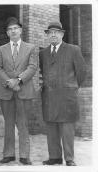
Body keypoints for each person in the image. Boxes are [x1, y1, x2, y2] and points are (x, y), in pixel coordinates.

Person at [40, 21, 87, 166]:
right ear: (47, 35)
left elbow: (82, 72)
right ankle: (54, 157)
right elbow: (42, 73)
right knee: (51, 127)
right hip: (49, 97)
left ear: (62, 34)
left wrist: (72, 87)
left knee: (67, 129)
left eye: (56, 32)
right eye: (50, 32)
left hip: (67, 97)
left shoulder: (73, 50)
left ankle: (69, 158)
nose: (53, 34)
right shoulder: (43, 53)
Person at [0, 17, 38, 165]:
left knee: (23, 123)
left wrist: (18, 80)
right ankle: (8, 154)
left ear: (20, 30)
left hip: (24, 90)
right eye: (10, 29)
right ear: (7, 33)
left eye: (15, 28)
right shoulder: (0, 49)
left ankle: (25, 155)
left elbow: (32, 67)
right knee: (8, 123)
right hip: (6, 91)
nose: (13, 31)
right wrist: (10, 82)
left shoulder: (31, 48)